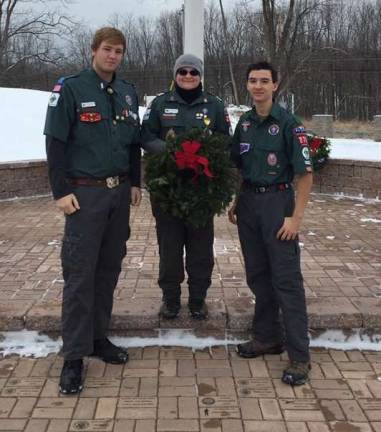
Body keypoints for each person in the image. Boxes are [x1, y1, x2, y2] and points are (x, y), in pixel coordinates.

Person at [43, 27, 141, 394]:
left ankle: (99, 338)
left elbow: (132, 142)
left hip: (118, 197)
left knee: (108, 270)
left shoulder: (128, 91)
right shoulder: (70, 88)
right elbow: (55, 143)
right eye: (107, 50)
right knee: (81, 275)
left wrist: (135, 181)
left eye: (118, 51)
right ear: (93, 51)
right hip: (84, 197)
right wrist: (60, 191)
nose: (112, 56)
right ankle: (73, 356)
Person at [229, 61, 313, 386]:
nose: (258, 86)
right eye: (253, 81)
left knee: (287, 281)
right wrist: (238, 200)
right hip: (249, 204)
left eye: (265, 81)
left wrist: (295, 218)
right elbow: (240, 166)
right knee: (258, 276)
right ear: (247, 85)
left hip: (278, 206)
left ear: (275, 85)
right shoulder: (245, 124)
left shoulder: (289, 124)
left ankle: (299, 357)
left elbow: (305, 175)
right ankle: (266, 337)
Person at [141, 54, 231, 320]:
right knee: (169, 247)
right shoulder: (159, 104)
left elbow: (225, 139)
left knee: (201, 248)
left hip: (201, 189)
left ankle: (197, 299)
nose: (188, 76)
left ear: (200, 75)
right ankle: (170, 299)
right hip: (168, 190)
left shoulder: (214, 105)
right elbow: (146, 136)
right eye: (183, 71)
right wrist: (171, 152)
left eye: (193, 72)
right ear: (175, 74)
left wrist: (205, 154)